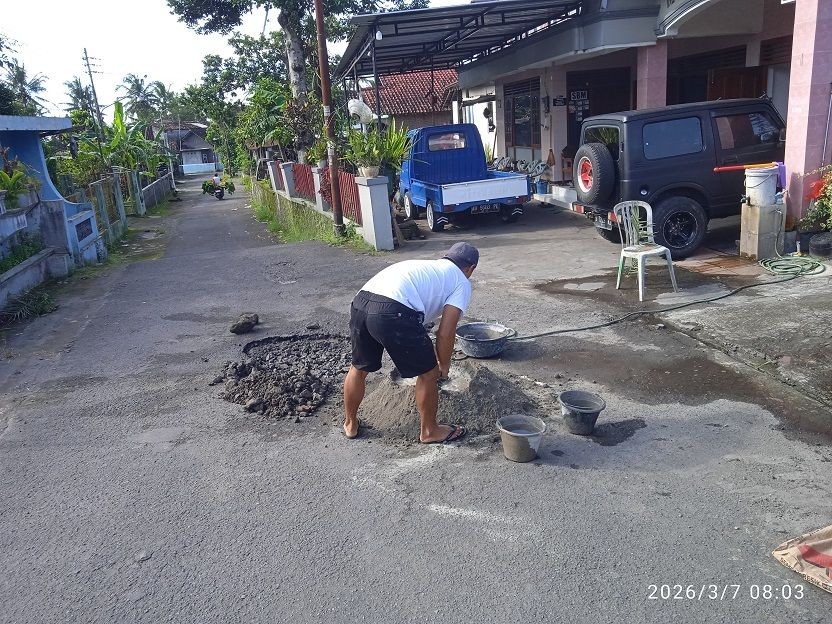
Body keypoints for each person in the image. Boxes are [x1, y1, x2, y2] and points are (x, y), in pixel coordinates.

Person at [343, 242, 479, 443]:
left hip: (361, 303)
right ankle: (429, 431)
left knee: (359, 367)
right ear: (471, 269)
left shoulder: (427, 267)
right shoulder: (461, 281)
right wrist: (444, 365)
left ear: (446, 256)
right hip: (394, 311)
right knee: (428, 373)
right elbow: (446, 332)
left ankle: (350, 423)